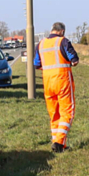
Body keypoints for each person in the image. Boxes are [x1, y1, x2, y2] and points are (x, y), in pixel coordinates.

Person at [34, 21, 79, 152]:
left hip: (47, 82)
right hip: (62, 80)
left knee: (54, 114)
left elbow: (37, 64)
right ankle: (59, 142)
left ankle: (57, 143)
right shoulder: (63, 41)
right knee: (67, 112)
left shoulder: (41, 44)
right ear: (62, 31)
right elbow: (74, 60)